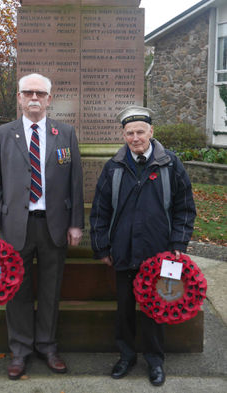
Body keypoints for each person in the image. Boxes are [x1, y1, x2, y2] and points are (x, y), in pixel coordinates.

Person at [0, 73, 84, 379]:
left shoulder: (64, 133)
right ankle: (20, 351)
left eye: (40, 93)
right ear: (19, 97)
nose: (34, 98)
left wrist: (76, 223)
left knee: (51, 291)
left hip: (54, 226)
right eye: (28, 93)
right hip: (15, 227)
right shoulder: (2, 134)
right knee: (17, 291)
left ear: (50, 99)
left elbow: (75, 183)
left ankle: (48, 347)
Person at [90, 105, 196, 386]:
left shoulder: (170, 164)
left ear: (151, 131)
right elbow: (100, 210)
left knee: (156, 308)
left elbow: (185, 208)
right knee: (124, 308)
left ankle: (155, 360)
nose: (135, 137)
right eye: (129, 133)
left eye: (140, 131)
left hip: (159, 253)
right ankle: (126, 356)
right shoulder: (113, 166)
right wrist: (102, 247)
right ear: (123, 135)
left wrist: (178, 243)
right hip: (123, 252)